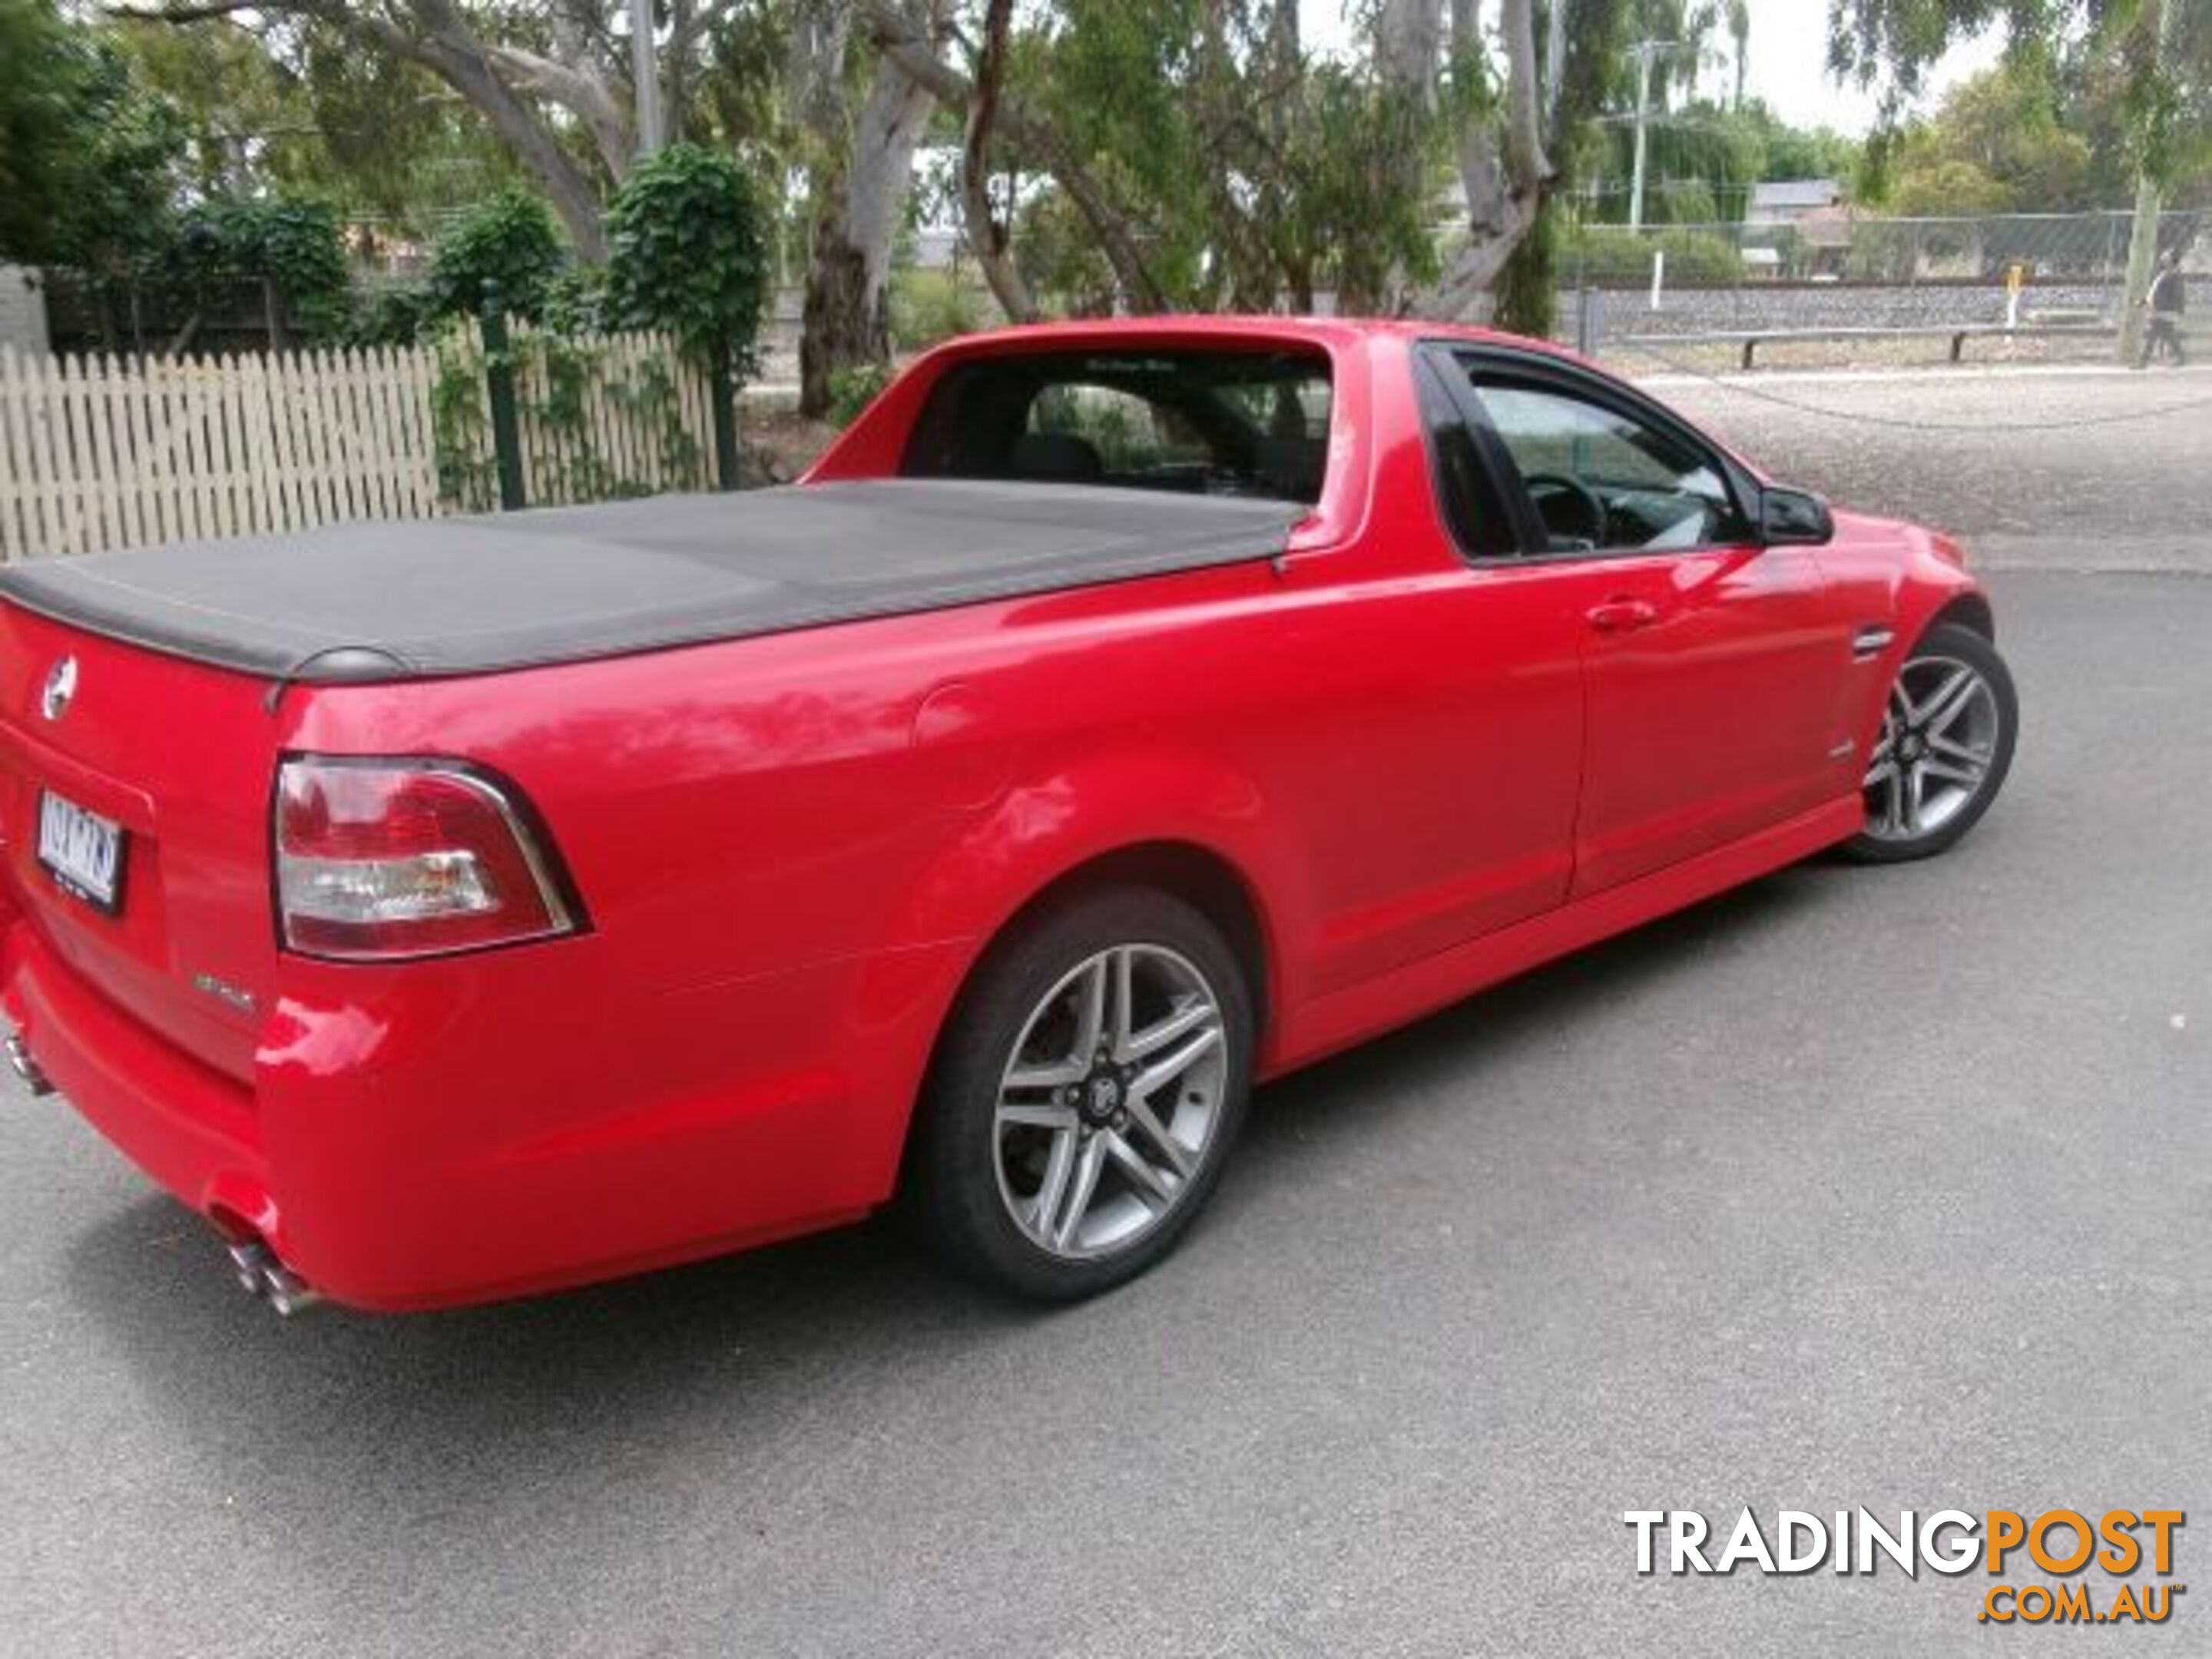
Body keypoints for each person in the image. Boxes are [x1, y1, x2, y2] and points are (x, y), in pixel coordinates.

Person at [2141, 251, 2187, 367]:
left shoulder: (2175, 275)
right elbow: (2154, 291)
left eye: (2166, 256)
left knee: (2153, 335)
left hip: (2164, 310)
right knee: (2169, 336)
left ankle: (2143, 362)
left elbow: (2178, 294)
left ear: (2172, 260)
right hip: (2158, 309)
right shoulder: (2163, 274)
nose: (2162, 258)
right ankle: (2181, 358)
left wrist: (2177, 309)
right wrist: (2144, 301)